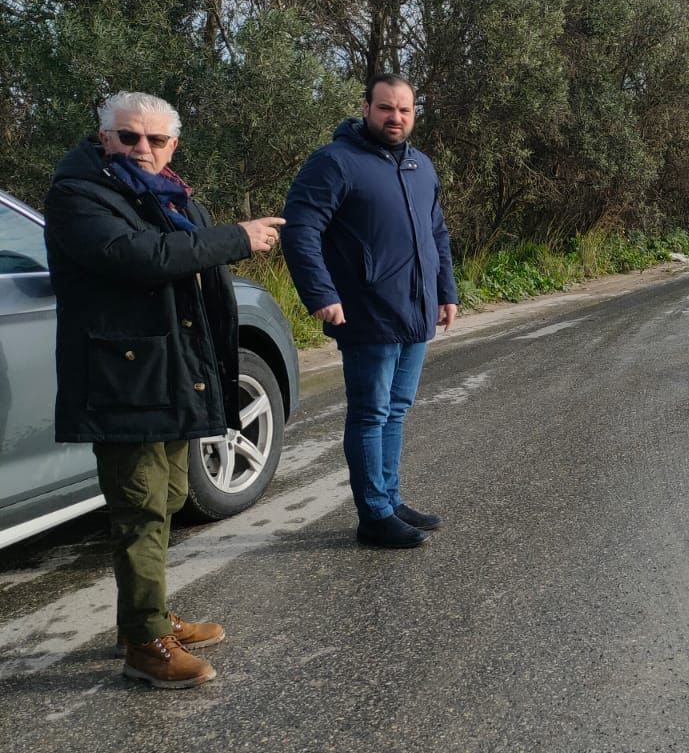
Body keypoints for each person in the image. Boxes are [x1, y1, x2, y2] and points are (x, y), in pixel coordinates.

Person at [44, 92, 284, 689]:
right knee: (140, 510)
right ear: (104, 138)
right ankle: (146, 645)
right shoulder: (78, 195)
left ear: (173, 145)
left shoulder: (167, 192)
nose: (142, 149)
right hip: (123, 379)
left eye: (155, 140)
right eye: (129, 138)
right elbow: (140, 256)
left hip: (173, 370)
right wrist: (237, 237)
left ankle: (145, 617)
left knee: (173, 495)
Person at [281, 73, 458, 549]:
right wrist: (320, 293)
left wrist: (447, 290)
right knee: (370, 412)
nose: (395, 118)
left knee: (396, 410)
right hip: (366, 310)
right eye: (385, 108)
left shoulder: (421, 166)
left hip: (416, 310)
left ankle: (390, 500)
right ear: (365, 108)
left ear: (414, 113)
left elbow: (436, 233)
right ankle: (373, 515)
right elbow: (300, 230)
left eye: (404, 110)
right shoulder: (335, 162)